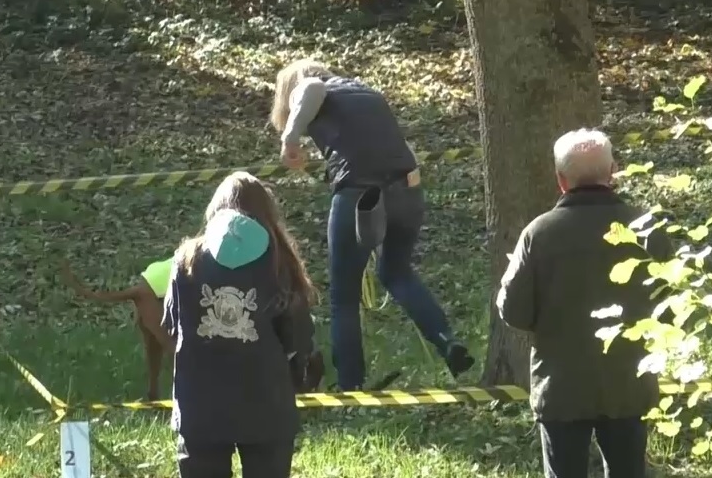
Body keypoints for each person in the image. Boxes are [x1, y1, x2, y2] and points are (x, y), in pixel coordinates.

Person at [269, 58, 475, 391]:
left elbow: (311, 88)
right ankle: (447, 341)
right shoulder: (366, 93)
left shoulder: (313, 86)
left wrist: (290, 138)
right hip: (407, 189)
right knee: (397, 273)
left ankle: (350, 386)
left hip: (360, 193)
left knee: (344, 296)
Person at [495, 129, 674, 478]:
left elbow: (513, 311)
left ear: (561, 180)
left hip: (561, 386)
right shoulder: (646, 228)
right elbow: (669, 303)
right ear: (613, 172)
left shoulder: (539, 233)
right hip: (629, 381)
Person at [161, 171, 316, 478]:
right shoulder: (279, 262)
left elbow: (172, 324)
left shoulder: (186, 260)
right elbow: (298, 338)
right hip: (265, 403)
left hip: (200, 404)